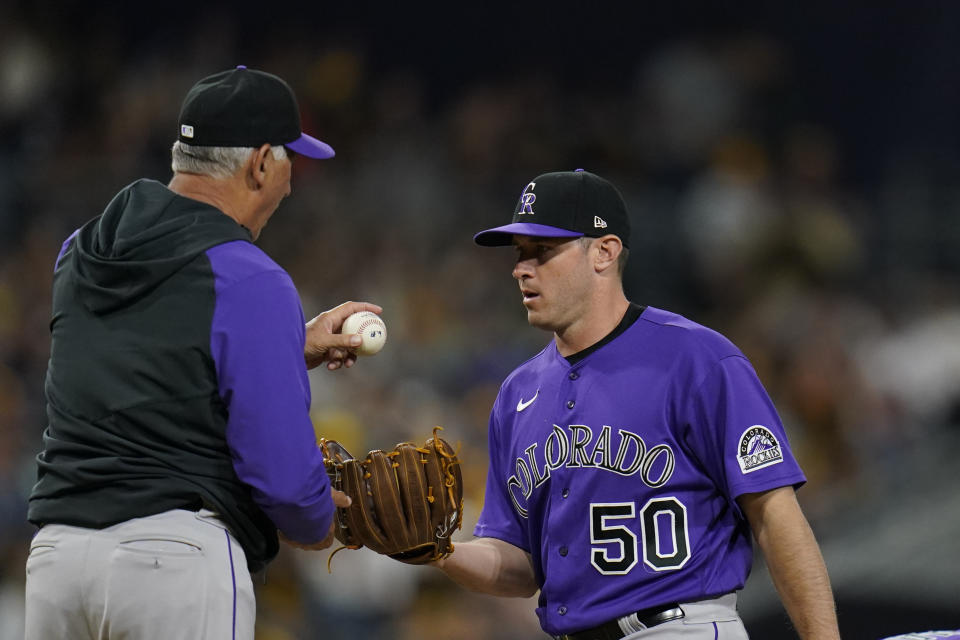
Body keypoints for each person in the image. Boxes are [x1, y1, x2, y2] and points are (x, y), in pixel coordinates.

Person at [24, 66, 381, 640]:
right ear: (261, 163)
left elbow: (144, 356)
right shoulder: (249, 277)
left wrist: (285, 346)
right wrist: (319, 522)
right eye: (291, 161)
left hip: (56, 563)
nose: (292, 182)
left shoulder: (81, 251)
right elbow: (285, 482)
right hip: (172, 564)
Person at [432, 169, 841, 639]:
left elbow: (775, 515)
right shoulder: (516, 394)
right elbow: (520, 566)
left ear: (604, 251)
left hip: (679, 627)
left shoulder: (697, 358)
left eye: (542, 252)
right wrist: (438, 550)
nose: (521, 268)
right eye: (520, 254)